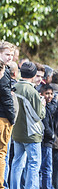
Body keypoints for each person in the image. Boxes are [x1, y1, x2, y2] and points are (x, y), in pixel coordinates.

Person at [11, 61, 46, 189]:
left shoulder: (14, 86)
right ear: (33, 74)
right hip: (31, 133)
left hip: (17, 131)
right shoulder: (31, 91)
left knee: (17, 162)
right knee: (34, 163)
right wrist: (43, 106)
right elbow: (39, 115)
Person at [0, 41, 16, 189]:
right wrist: (12, 118)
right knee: (2, 153)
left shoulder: (6, 69)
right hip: (3, 117)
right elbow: (6, 97)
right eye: (7, 54)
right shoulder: (2, 72)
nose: (9, 57)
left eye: (11, 55)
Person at [39, 84, 58, 189]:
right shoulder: (43, 107)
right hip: (45, 141)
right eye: (47, 94)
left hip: (48, 141)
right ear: (41, 94)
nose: (49, 96)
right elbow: (45, 125)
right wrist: (51, 135)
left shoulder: (50, 106)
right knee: (46, 168)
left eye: (51, 94)